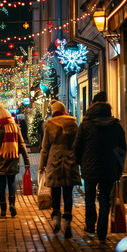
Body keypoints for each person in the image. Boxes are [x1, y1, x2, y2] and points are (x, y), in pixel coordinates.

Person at [73, 91, 127, 242]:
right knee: (105, 199)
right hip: (109, 169)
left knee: (89, 197)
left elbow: (77, 147)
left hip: (89, 168)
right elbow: (122, 149)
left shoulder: (85, 125)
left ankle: (90, 225)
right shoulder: (116, 126)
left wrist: (80, 162)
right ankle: (102, 232)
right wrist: (118, 167)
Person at [38, 100, 81, 237]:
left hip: (54, 161)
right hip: (70, 161)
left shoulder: (50, 124)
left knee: (55, 191)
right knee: (68, 193)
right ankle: (67, 221)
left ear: (53, 111)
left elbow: (45, 148)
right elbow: (77, 144)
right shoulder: (73, 123)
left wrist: (41, 166)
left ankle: (56, 218)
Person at [0, 106, 31, 217]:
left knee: (1, 185)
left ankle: (3, 209)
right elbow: (22, 145)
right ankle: (12, 204)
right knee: (12, 182)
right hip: (12, 156)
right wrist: (27, 161)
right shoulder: (15, 127)